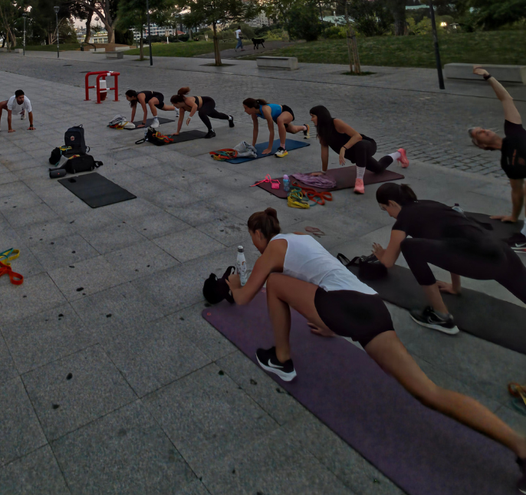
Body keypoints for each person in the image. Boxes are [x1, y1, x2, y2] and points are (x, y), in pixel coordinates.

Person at [225, 208, 526, 487]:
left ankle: (282, 359)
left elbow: (243, 299)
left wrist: (234, 284)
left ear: (258, 234)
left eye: (253, 240)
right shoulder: (301, 238)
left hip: (345, 307)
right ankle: (519, 444)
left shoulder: (272, 252)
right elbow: (323, 277)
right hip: (371, 304)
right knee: (429, 392)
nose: (254, 246)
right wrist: (332, 322)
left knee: (275, 283)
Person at [371, 182, 526, 334]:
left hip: (482, 261)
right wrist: (455, 287)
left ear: (391, 203)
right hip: (500, 251)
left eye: (385, 209)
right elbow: (453, 241)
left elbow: (388, 262)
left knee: (409, 247)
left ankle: (441, 317)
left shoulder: (404, 219)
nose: (389, 214)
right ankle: (448, 302)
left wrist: (381, 255)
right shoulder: (429, 204)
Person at [467, 66, 526, 247]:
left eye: (483, 128)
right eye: (480, 133)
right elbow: (517, 191)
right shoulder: (507, 162)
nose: (485, 130)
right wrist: (513, 217)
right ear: (481, 145)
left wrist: (488, 76)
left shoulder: (513, 129)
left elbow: (506, 98)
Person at [309, 104, 408, 194]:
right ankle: (399, 153)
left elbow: (357, 136)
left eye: (313, 116)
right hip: (357, 154)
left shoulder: (336, 123)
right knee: (378, 169)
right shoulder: (322, 133)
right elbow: (324, 152)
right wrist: (323, 171)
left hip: (367, 145)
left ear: (321, 116)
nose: (311, 119)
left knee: (360, 145)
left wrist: (343, 148)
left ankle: (359, 181)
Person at [243, 99, 309, 154]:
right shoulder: (254, 114)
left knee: (280, 120)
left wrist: (269, 148)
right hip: (277, 117)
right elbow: (255, 129)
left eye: (246, 108)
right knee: (293, 130)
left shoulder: (265, 110)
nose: (245, 111)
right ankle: (305, 127)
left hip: (285, 111)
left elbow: (271, 131)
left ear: (253, 107)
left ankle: (282, 148)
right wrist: (253, 145)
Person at [169, 87, 234, 139]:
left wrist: (189, 117)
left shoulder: (187, 101)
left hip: (208, 102)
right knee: (216, 115)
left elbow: (195, 106)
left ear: (179, 102)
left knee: (201, 113)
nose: (174, 106)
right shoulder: (182, 108)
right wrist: (177, 132)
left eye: (175, 104)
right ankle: (230, 118)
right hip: (203, 107)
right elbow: (180, 120)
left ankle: (211, 131)